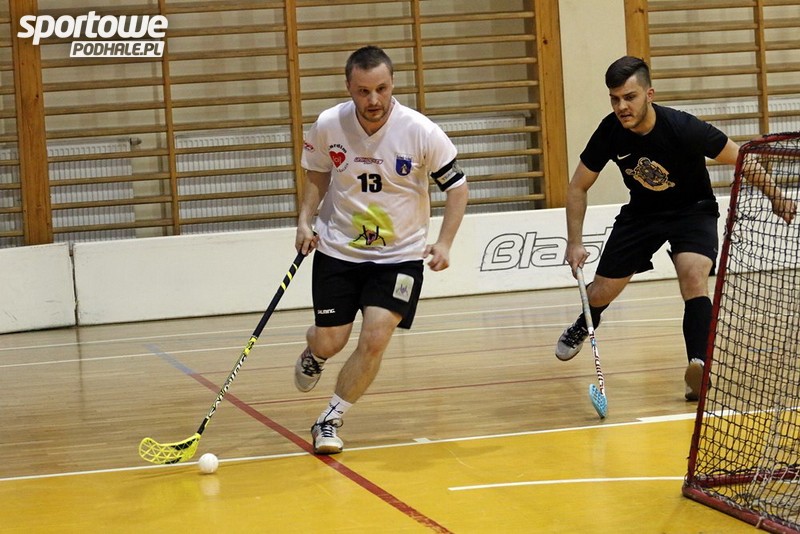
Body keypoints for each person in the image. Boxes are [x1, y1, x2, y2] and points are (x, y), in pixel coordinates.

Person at [555, 56, 797, 401]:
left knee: (694, 275)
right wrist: (574, 242)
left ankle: (698, 367)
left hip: (692, 211)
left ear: (649, 94)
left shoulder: (684, 128)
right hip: (642, 214)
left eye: (629, 97)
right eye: (615, 99)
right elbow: (577, 186)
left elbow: (742, 158)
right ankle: (585, 321)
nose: (621, 107)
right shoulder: (609, 131)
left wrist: (776, 196)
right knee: (601, 293)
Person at [293, 45, 469, 454]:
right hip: (339, 250)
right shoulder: (328, 125)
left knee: (375, 336)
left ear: (392, 84)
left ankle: (329, 419)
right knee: (331, 341)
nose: (374, 100)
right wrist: (305, 220)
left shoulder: (421, 131)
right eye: (363, 91)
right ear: (348, 88)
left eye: (382, 89)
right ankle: (315, 351)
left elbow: (458, 189)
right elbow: (317, 173)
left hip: (399, 257)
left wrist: (444, 242)